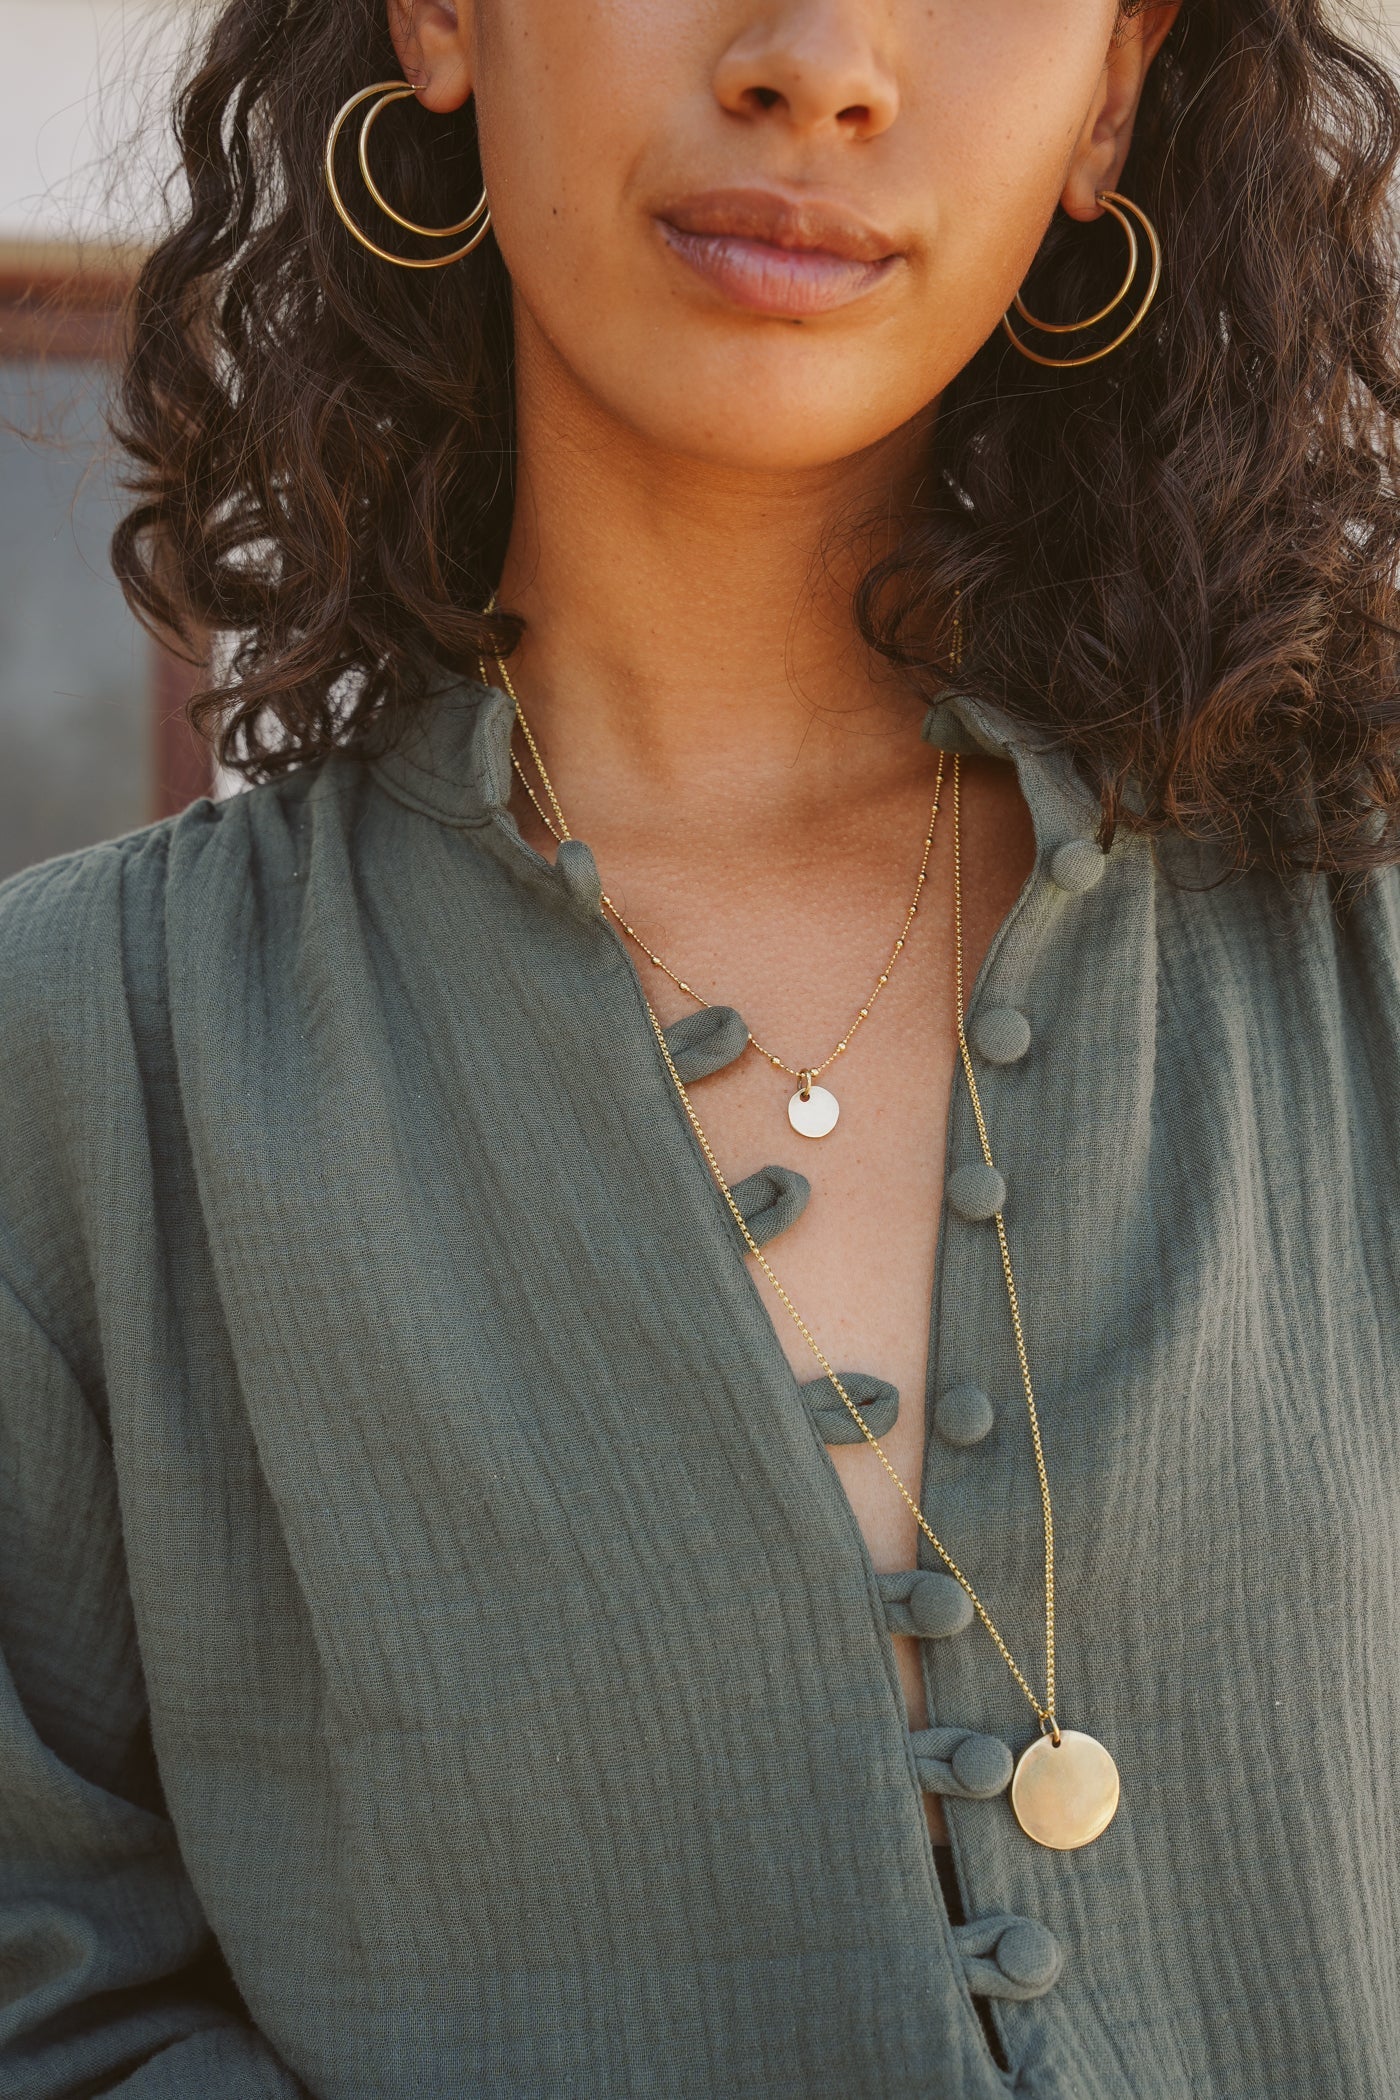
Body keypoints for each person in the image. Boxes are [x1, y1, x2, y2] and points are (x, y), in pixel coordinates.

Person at [3, 0, 1399, 2092]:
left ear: (1114, 85)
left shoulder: (1351, 945)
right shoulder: (83, 1074)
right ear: (442, 18)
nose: (820, 55)